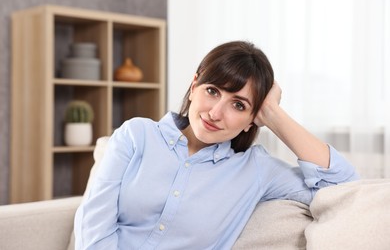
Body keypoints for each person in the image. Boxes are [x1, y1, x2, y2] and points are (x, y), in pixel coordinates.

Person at [74, 41, 359, 249]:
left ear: (252, 119)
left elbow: (344, 186)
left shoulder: (256, 169)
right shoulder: (136, 136)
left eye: (238, 104)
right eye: (212, 91)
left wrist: (273, 114)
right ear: (194, 84)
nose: (215, 113)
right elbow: (94, 226)